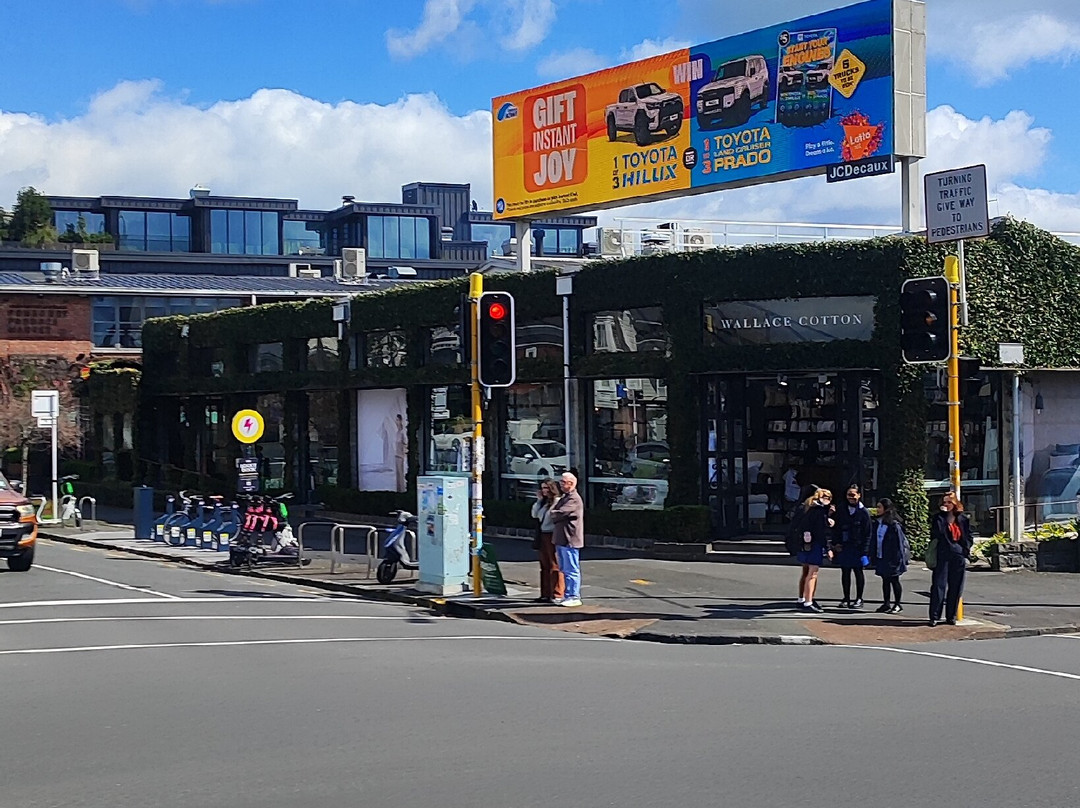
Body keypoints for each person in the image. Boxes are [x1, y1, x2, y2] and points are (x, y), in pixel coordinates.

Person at [929, 492, 973, 626]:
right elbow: (937, 533)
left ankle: (951, 616)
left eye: (948, 502)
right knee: (938, 586)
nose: (946, 505)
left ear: (954, 504)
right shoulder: (938, 518)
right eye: (943, 503)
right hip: (943, 555)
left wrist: (966, 548)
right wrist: (942, 516)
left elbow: (968, 535)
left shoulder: (962, 519)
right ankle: (934, 616)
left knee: (956, 586)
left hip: (958, 555)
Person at [833, 484, 872, 609]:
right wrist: (835, 543)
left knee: (858, 572)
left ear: (859, 495)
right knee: (845, 572)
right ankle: (846, 598)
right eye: (848, 495)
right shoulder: (841, 509)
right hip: (844, 546)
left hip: (858, 547)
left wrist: (865, 551)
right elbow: (836, 528)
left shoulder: (863, 512)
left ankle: (859, 598)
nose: (851, 497)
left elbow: (868, 533)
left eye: (853, 495)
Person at [550, 471, 584, 607]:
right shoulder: (565, 497)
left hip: (570, 539)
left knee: (571, 569)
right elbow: (554, 511)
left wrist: (554, 512)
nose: (560, 484)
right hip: (561, 538)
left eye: (563, 482)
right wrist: (554, 512)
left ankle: (574, 596)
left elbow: (558, 513)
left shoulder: (574, 499)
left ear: (570, 483)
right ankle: (567, 595)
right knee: (564, 568)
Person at [797, 488, 833, 613]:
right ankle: (808, 601)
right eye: (826, 497)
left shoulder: (808, 508)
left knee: (806, 572)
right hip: (815, 544)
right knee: (813, 573)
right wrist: (828, 548)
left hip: (806, 544)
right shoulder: (819, 511)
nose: (828, 499)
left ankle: (804, 598)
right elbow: (820, 532)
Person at [870, 498, 909, 614]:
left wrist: (898, 559)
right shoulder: (878, 523)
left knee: (894, 580)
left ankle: (897, 604)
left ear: (886, 509)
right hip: (881, 556)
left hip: (892, 558)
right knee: (885, 580)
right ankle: (886, 603)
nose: (877, 510)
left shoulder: (894, 525)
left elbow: (899, 543)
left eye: (879, 507)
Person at [530, 479, 563, 604]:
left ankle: (557, 593)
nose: (545, 491)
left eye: (547, 488)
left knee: (554, 564)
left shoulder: (557, 502)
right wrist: (539, 500)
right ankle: (545, 593)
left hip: (552, 534)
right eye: (543, 488)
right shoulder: (543, 503)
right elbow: (534, 514)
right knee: (544, 565)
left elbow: (554, 516)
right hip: (542, 535)